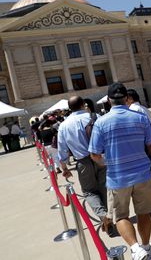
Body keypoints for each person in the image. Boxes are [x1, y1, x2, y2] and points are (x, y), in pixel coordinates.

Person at [89, 83, 151, 260]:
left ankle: (136, 249)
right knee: (144, 212)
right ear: (126, 98)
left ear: (109, 100)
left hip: (117, 176)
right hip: (142, 172)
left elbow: (94, 154)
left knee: (120, 216)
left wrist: (108, 163)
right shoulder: (140, 118)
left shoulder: (101, 122)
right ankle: (144, 246)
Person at [57, 96, 114, 236]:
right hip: (100, 157)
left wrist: (64, 167)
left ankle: (102, 215)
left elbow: (62, 148)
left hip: (82, 162)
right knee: (104, 187)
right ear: (84, 104)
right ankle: (108, 217)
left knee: (89, 192)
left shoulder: (64, 125)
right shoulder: (96, 117)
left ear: (69, 108)